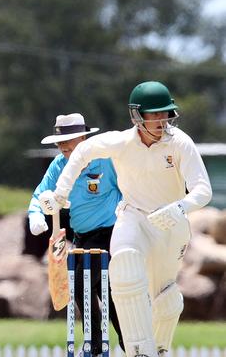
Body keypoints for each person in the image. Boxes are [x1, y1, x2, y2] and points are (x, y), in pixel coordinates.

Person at [39, 82, 212, 357]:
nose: (161, 120)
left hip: (171, 225)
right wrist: (61, 192)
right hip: (133, 216)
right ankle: (139, 351)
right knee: (125, 269)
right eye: (154, 114)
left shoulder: (180, 143)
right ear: (137, 115)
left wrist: (180, 207)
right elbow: (83, 152)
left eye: (165, 113)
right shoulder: (121, 142)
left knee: (164, 298)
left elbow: (203, 190)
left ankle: (160, 348)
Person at [28, 113, 124, 355]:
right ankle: (126, 342)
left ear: (84, 138)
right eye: (60, 142)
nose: (63, 147)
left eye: (69, 141)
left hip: (110, 233)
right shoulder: (59, 165)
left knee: (82, 285)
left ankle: (97, 342)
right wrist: (36, 216)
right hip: (81, 237)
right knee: (107, 292)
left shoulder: (105, 160)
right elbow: (40, 195)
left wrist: (127, 210)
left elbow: (128, 186)